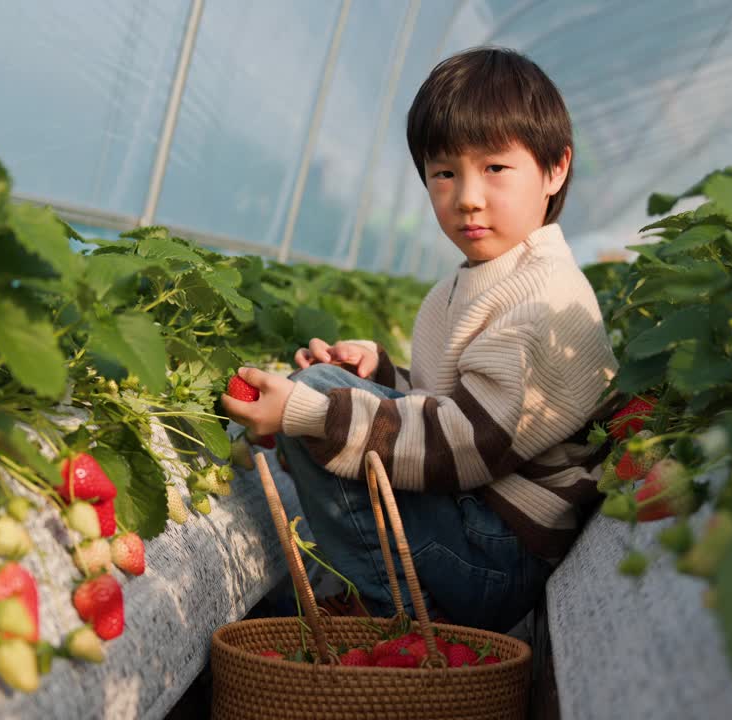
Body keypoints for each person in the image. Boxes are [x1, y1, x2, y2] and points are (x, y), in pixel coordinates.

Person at [222, 46, 618, 634]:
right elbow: (456, 399)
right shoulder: (466, 285)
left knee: (318, 401)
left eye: (495, 169)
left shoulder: (547, 301)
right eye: (444, 173)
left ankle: (395, 611)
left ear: (555, 169)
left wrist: (312, 409)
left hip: (499, 553)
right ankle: (378, 593)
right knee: (331, 393)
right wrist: (381, 374)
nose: (468, 197)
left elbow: (466, 445)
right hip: (472, 525)